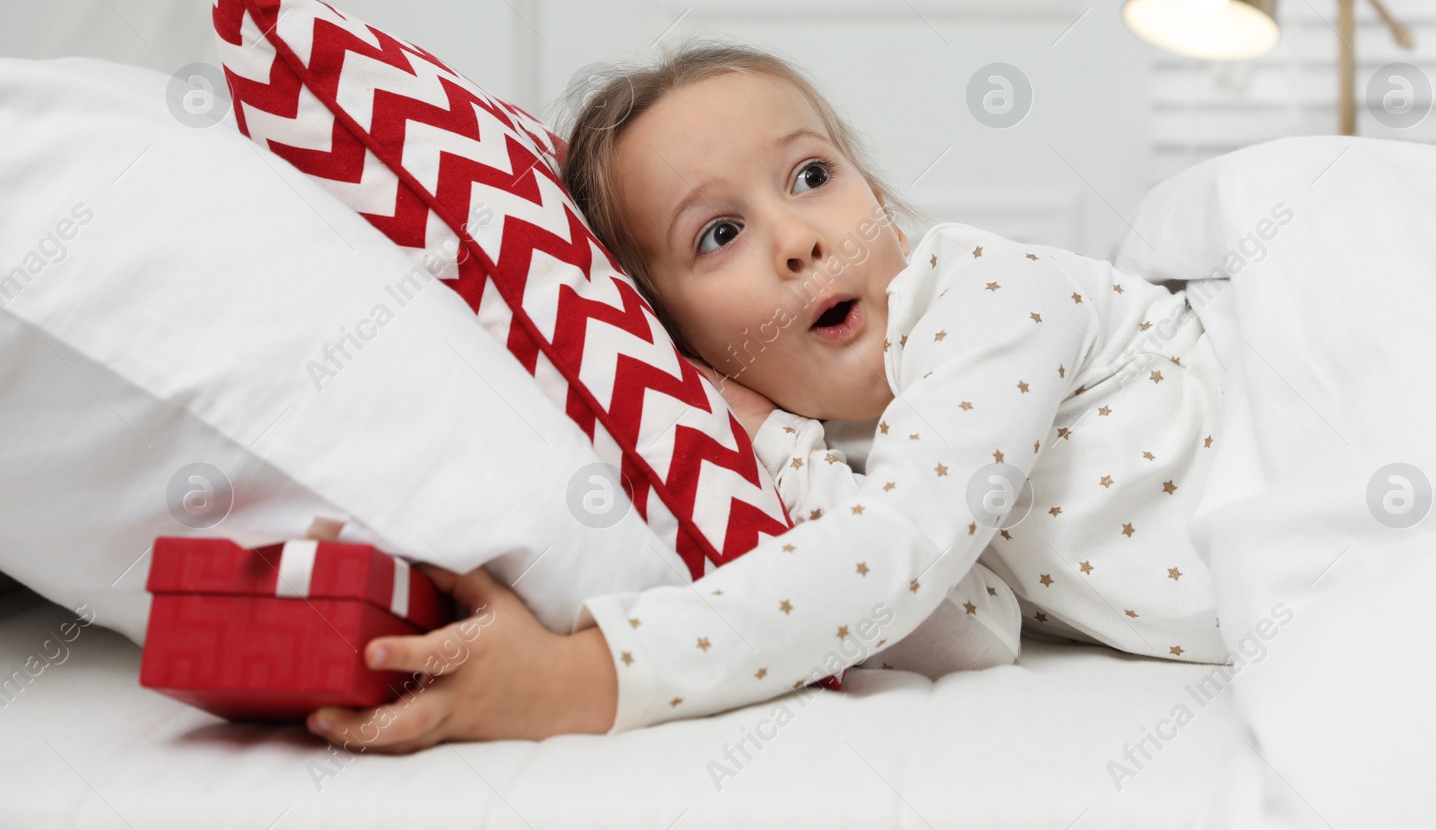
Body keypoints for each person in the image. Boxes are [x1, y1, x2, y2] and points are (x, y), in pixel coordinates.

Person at [307, 43, 1226, 753]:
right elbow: (970, 629)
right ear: (683, 340)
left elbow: (894, 552)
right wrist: (780, 446)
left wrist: (586, 674)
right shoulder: (867, 454)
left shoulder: (991, 292)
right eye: (718, 233)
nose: (796, 239)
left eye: (813, 176)